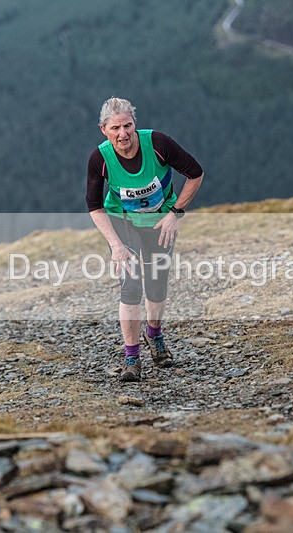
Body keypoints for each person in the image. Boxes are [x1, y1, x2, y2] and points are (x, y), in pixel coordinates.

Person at [86, 97, 204, 382]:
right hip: (123, 223)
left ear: (135, 124)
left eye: (128, 125)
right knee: (131, 283)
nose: (123, 133)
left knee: (156, 284)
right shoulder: (99, 158)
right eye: (115, 128)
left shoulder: (159, 144)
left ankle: (154, 334)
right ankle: (131, 357)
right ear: (104, 129)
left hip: (160, 222)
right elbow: (94, 205)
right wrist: (115, 245)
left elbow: (195, 174)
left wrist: (175, 213)